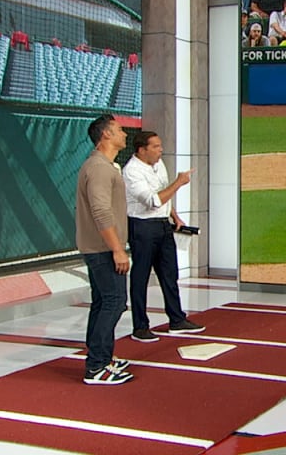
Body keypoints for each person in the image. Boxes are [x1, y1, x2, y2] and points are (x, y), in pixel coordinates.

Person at [123, 131, 204, 343]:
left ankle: (177, 319)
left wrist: (175, 216)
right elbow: (153, 201)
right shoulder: (131, 171)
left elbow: (164, 197)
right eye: (156, 147)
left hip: (162, 225)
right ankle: (140, 326)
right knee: (140, 277)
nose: (161, 150)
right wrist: (179, 183)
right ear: (142, 150)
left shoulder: (160, 165)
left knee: (169, 273)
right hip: (141, 227)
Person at [76, 114, 133, 385]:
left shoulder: (104, 166)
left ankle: (101, 358)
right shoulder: (99, 168)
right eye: (120, 129)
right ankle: (97, 365)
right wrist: (117, 249)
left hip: (100, 247)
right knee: (113, 302)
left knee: (103, 302)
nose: (125, 133)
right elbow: (100, 210)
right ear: (106, 135)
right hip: (103, 249)